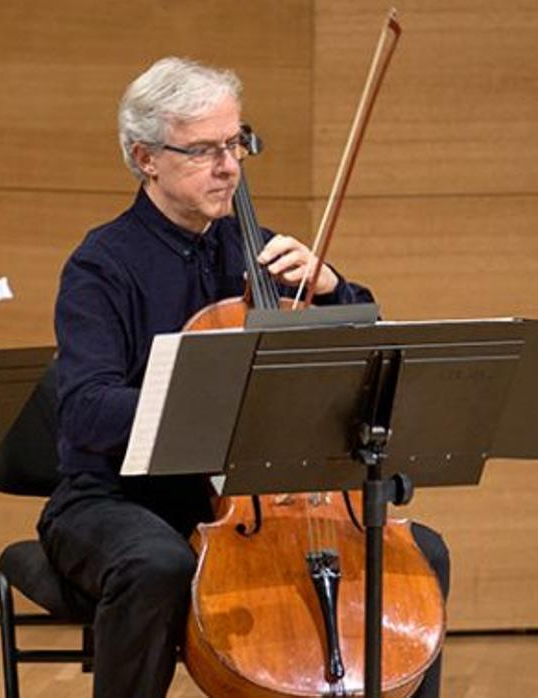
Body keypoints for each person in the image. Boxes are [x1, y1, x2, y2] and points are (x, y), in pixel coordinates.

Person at [37, 57, 451, 697]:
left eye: (236, 144)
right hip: (121, 498)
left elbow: (366, 361)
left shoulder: (265, 253)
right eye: (204, 150)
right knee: (157, 564)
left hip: (268, 503)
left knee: (418, 555)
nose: (229, 166)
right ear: (145, 157)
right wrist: (211, 401)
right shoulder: (102, 266)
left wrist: (333, 288)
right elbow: (86, 413)